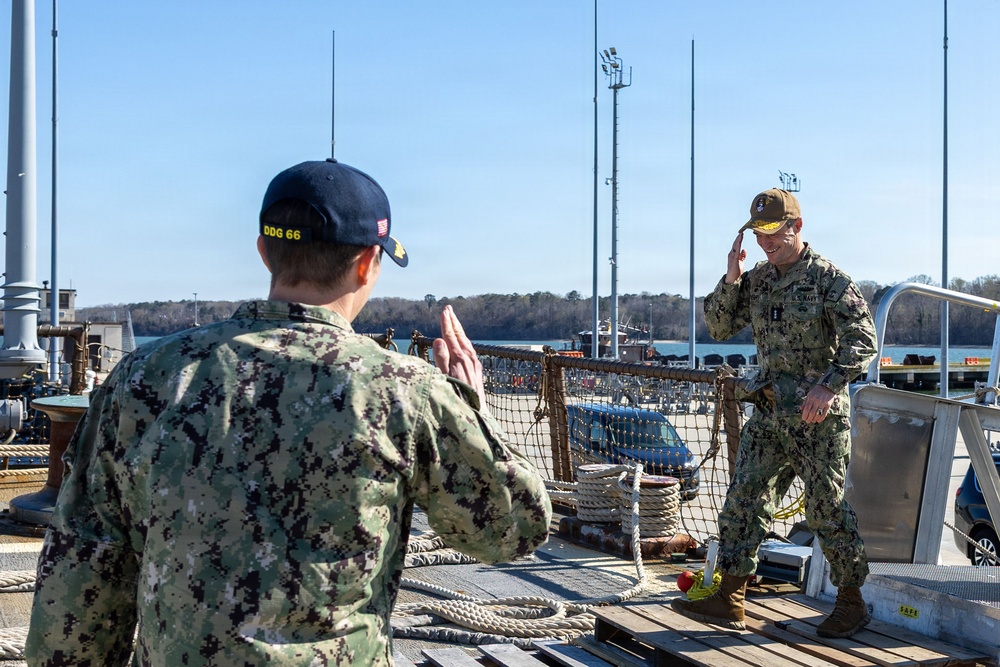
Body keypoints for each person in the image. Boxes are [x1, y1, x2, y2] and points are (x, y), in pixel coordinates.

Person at [26, 158, 552, 666]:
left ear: (263, 251)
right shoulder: (407, 392)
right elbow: (511, 529)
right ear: (369, 261)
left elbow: (82, 569)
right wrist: (470, 405)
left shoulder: (145, 377)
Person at [671, 188, 877, 639]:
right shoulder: (759, 279)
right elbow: (720, 327)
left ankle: (851, 601)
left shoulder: (829, 280)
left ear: (796, 227)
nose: (766, 242)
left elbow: (862, 339)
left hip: (816, 417)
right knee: (744, 500)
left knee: (826, 509)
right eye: (758, 233)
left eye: (773, 233)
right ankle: (730, 598)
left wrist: (829, 385)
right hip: (768, 411)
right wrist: (731, 278)